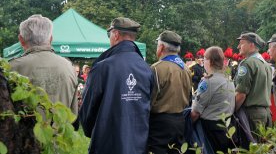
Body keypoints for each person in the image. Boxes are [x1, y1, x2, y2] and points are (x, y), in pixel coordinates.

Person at [79, 17, 154, 154]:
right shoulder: (147, 69)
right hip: (138, 145)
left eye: (109, 35)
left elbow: (87, 110)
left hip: (107, 143)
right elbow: (150, 107)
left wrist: (93, 131)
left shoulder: (102, 67)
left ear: (116, 34)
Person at [9, 14, 78, 114]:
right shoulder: (69, 67)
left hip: (23, 129)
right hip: (61, 129)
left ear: (21, 40)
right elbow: (74, 114)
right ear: (51, 39)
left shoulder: (11, 68)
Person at [149, 30, 192, 154]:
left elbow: (150, 99)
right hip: (180, 120)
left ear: (161, 47)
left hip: (159, 124)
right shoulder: (186, 68)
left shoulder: (157, 68)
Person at [190, 46, 235, 153]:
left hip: (210, 132)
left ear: (210, 61)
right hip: (227, 128)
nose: (203, 61)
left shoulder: (208, 82)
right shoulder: (228, 79)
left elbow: (195, 113)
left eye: (204, 59)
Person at [234, 32, 272, 140]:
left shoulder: (248, 63)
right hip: (266, 114)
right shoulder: (265, 64)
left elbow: (241, 94)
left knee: (250, 148)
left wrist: (230, 111)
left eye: (241, 43)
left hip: (251, 115)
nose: (238, 46)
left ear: (251, 45)